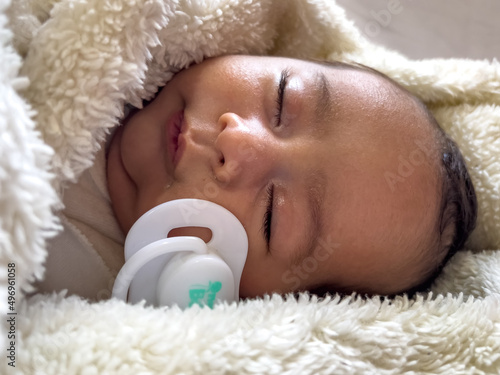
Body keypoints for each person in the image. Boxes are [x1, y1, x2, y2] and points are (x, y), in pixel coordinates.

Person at [39, 55, 478, 301]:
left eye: (272, 216)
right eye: (283, 99)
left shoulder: (84, 288)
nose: (240, 143)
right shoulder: (130, 40)